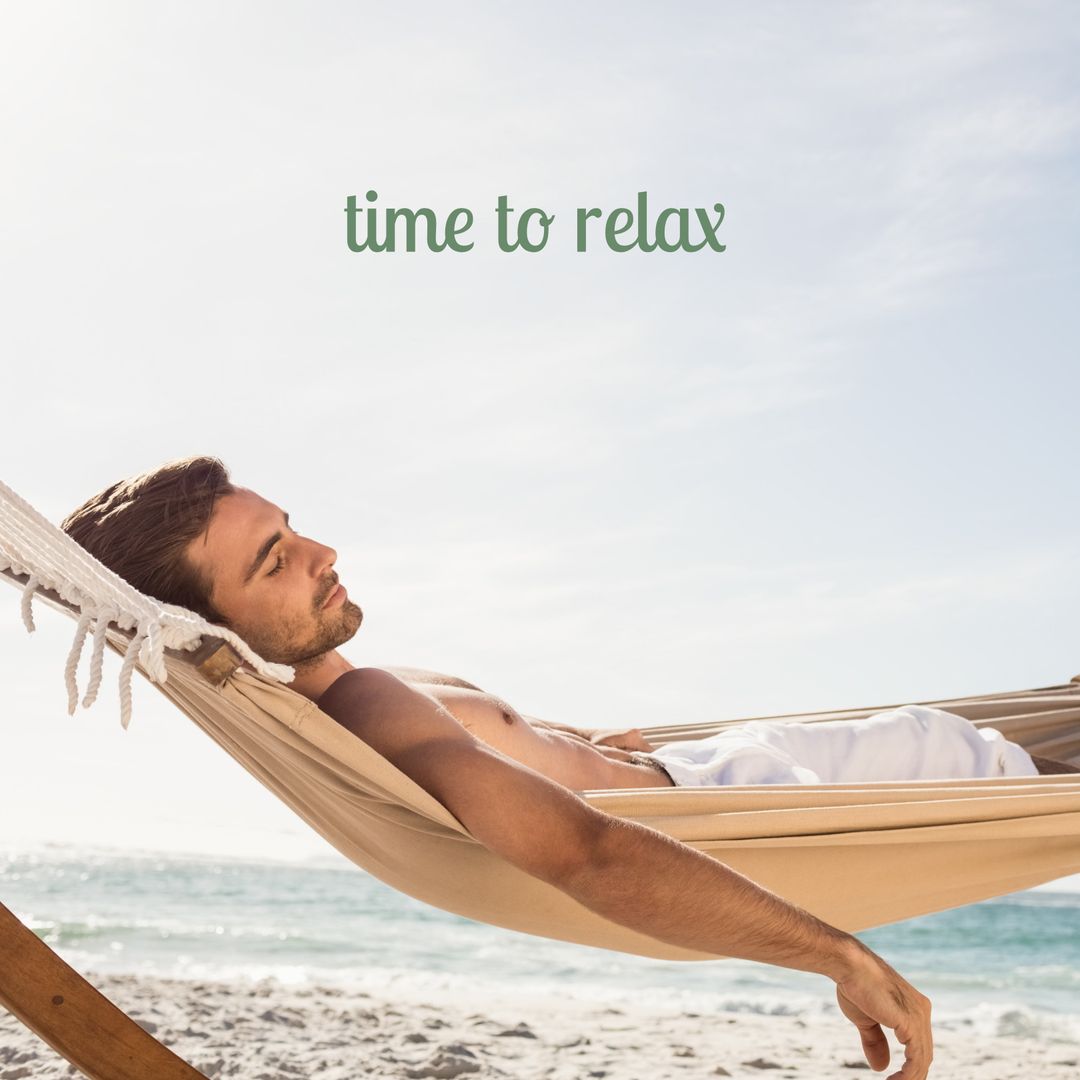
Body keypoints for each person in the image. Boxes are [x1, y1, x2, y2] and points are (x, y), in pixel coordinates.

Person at [68, 456, 1017, 1080]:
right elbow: (587, 853)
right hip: (759, 803)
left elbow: (534, 763)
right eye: (276, 560)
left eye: (294, 527)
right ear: (209, 628)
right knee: (1000, 763)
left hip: (720, 771)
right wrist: (836, 953)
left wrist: (604, 748)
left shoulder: (358, 684)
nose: (324, 555)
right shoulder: (363, 711)